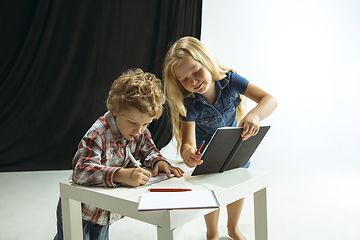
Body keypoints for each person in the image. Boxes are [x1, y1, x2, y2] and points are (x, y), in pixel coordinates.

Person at [163, 36, 277, 240]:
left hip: (235, 147)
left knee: (237, 186)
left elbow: (269, 100)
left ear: (207, 61)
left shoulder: (231, 81)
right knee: (210, 192)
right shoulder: (189, 103)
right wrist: (188, 152)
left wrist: (254, 115)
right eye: (184, 79)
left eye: (196, 71)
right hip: (207, 156)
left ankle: (233, 229)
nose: (193, 81)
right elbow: (188, 142)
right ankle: (212, 233)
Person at [54, 68, 184, 240]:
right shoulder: (98, 133)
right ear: (115, 109)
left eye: (145, 124)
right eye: (132, 122)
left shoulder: (139, 131)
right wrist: (120, 174)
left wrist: (158, 161)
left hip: (103, 212)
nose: (138, 130)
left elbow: (149, 151)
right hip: (79, 210)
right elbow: (81, 171)